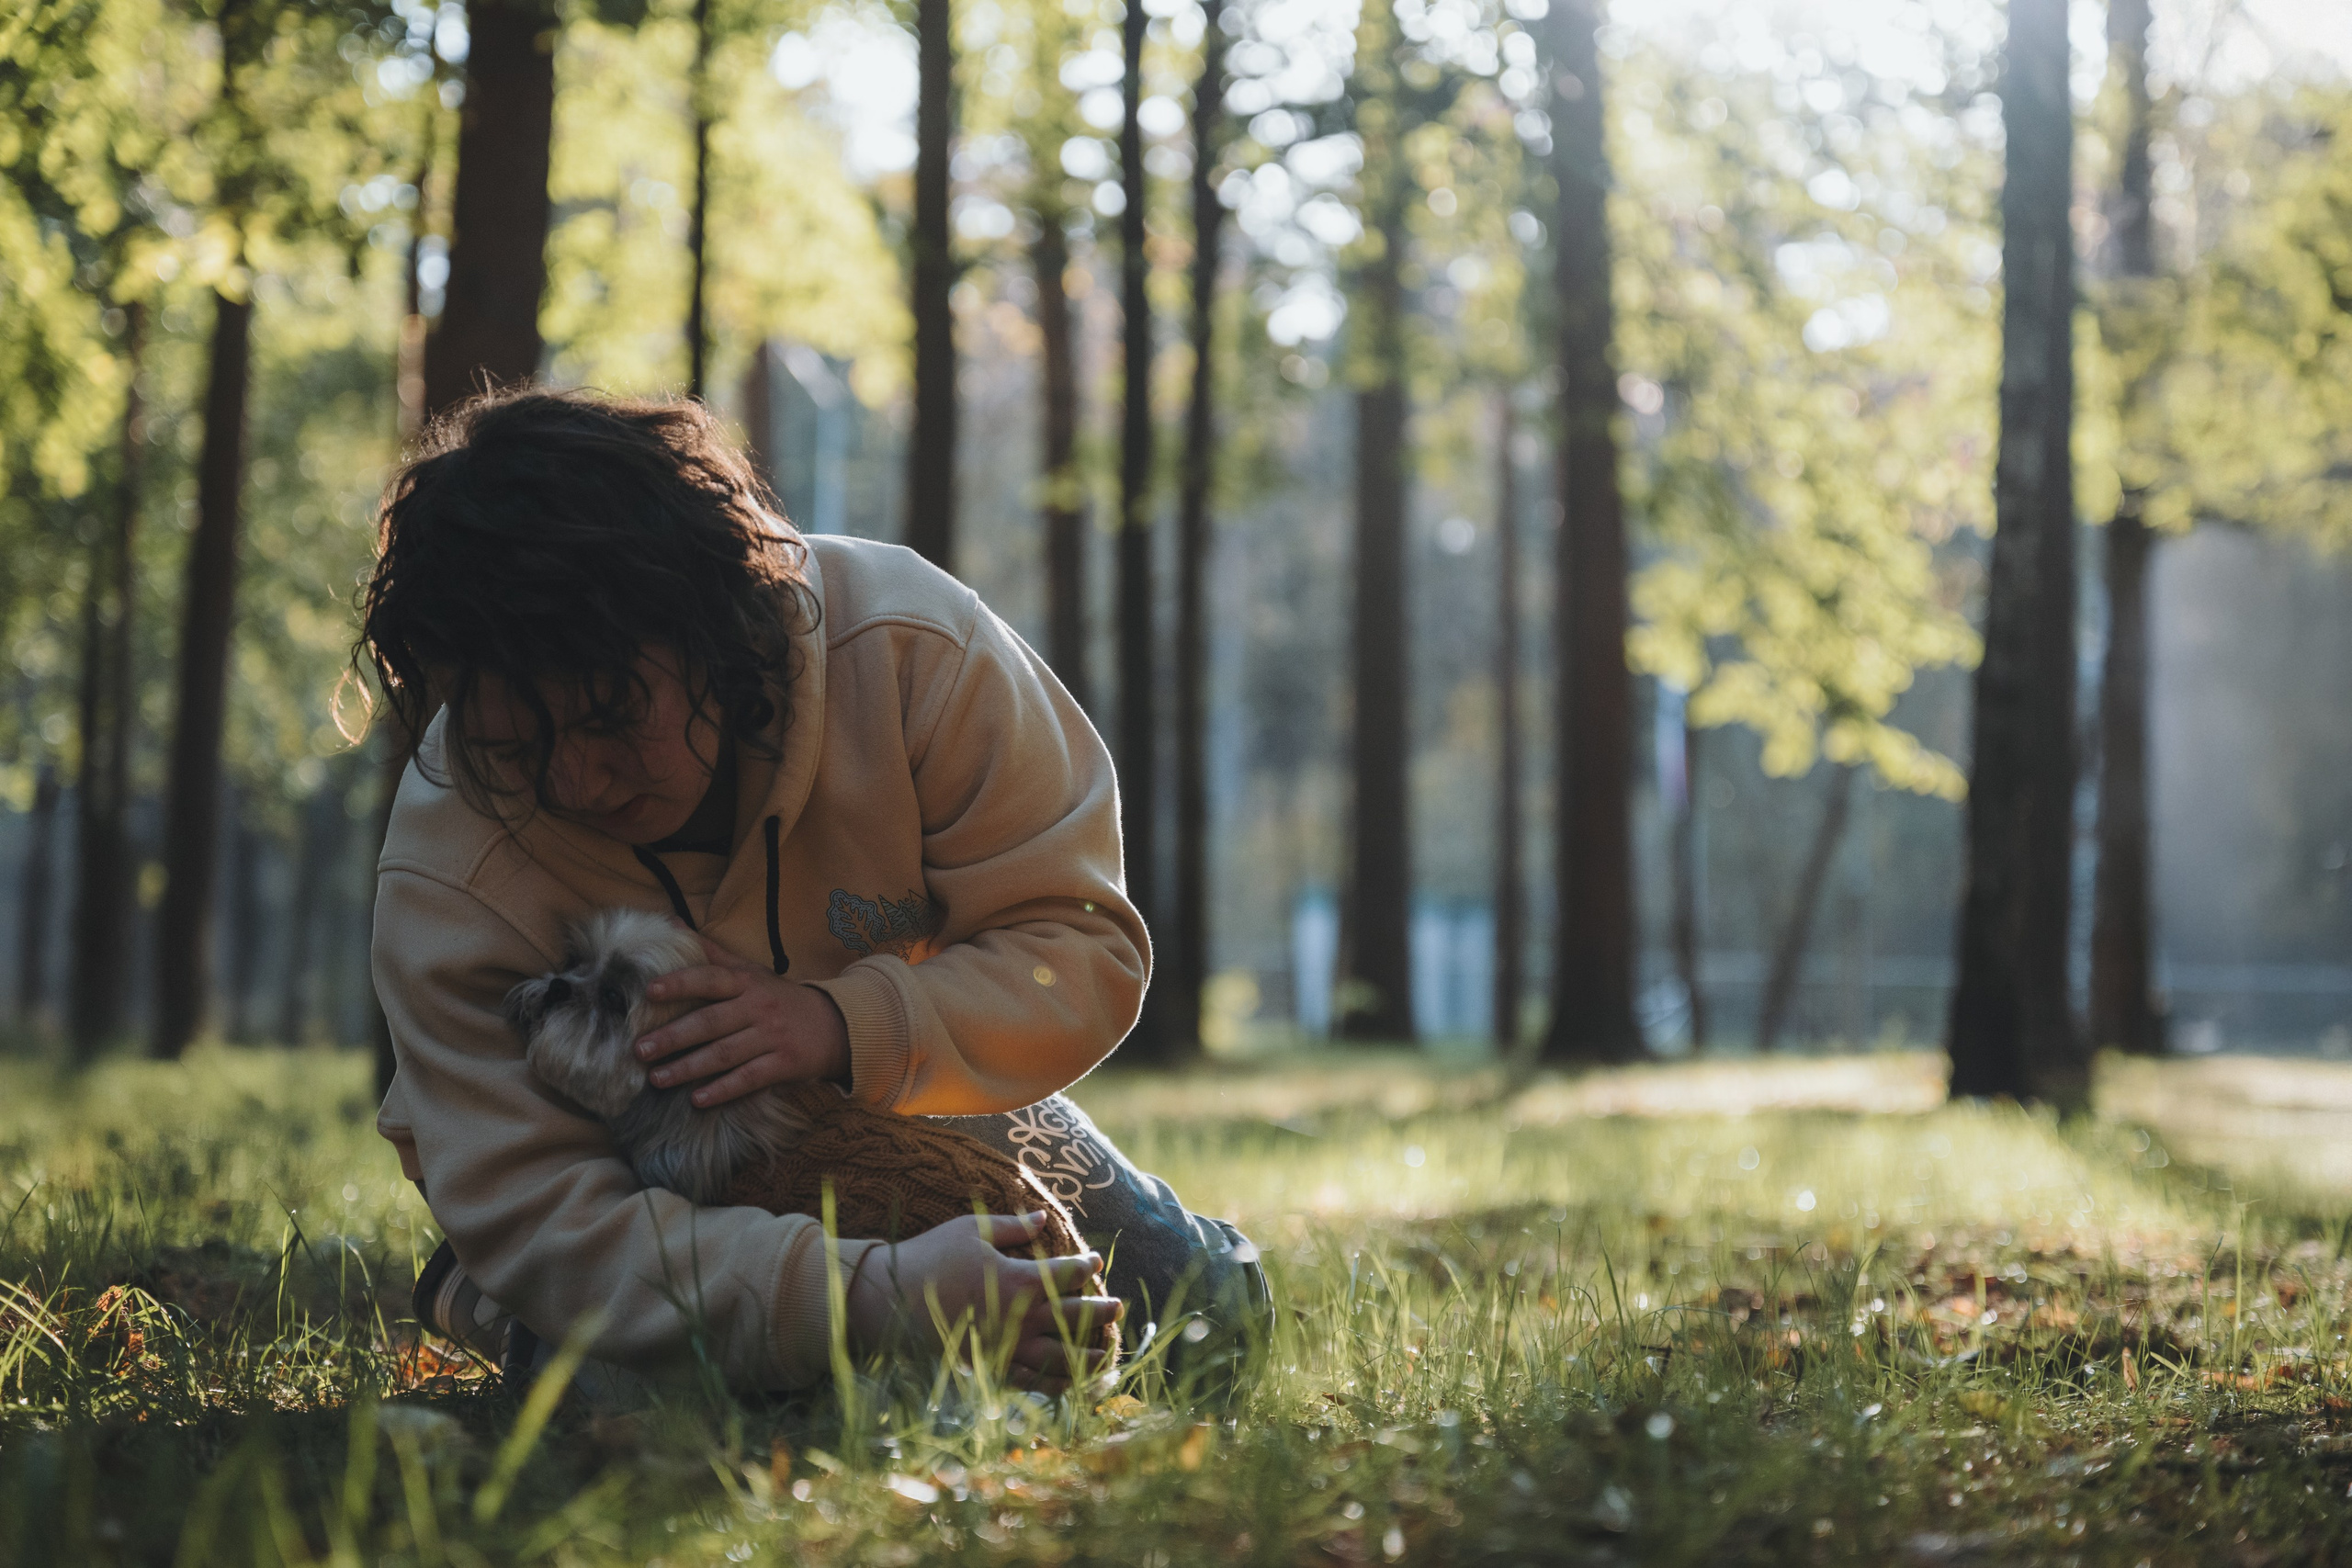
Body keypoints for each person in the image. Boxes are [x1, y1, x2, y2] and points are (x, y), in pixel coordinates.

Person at [366, 389, 1262, 1399]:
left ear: (714, 626)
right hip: (623, 1186)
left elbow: (1079, 945)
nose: (577, 783)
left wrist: (844, 1023)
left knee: (1188, 1318)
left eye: (612, 719)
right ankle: (500, 1302)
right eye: (516, 747)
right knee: (657, 1401)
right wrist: (878, 1298)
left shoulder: (912, 650)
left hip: (910, 1101)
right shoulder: (449, 854)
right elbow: (542, 1214)